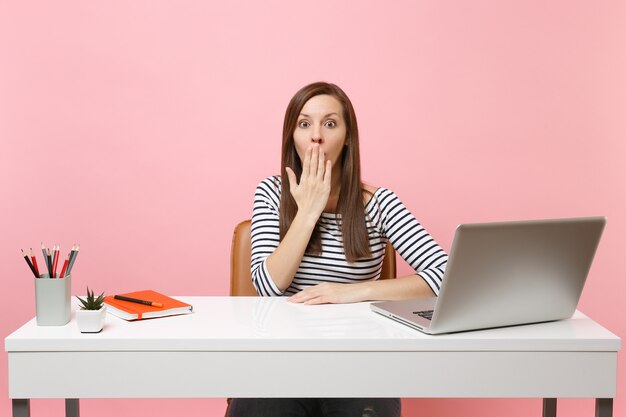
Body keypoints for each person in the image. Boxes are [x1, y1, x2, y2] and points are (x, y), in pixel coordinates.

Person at [226, 82, 448, 417]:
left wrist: (351, 293)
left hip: (357, 361)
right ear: (293, 138)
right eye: (304, 124)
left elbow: (446, 276)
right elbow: (269, 285)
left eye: (329, 123)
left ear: (347, 138)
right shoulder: (271, 193)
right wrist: (309, 209)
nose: (316, 135)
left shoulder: (378, 203)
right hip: (282, 358)